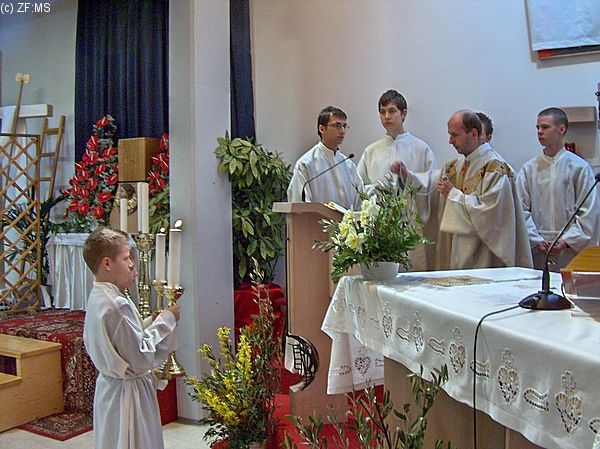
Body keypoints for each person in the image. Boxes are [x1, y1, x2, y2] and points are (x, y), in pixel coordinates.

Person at [82, 227, 180, 449]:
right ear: (107, 264)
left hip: (110, 389)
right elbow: (140, 357)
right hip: (129, 394)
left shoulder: (99, 296)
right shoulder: (116, 304)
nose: (132, 265)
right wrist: (167, 320)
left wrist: (150, 322)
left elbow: (122, 340)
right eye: (126, 258)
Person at [436, 109, 532, 270]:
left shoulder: (495, 168)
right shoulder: (456, 166)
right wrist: (407, 176)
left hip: (485, 256)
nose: (450, 141)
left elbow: (491, 215)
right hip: (459, 250)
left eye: (455, 135)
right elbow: (430, 184)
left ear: (474, 133)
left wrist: (452, 194)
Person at [357, 89, 437, 270]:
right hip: (379, 225)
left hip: (410, 224)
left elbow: (431, 187)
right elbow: (359, 189)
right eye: (382, 111)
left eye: (392, 111)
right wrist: (379, 189)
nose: (386, 116)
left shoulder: (421, 149)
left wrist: (408, 177)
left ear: (404, 113)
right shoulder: (371, 151)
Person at [516, 107, 600, 271]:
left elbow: (588, 211)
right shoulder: (529, 169)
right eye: (537, 128)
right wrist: (536, 239)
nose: (539, 132)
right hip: (539, 248)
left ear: (561, 129)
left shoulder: (579, 168)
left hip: (570, 250)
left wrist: (566, 241)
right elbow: (521, 209)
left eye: (545, 127)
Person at [287, 106, 364, 210]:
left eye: (344, 126)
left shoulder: (349, 165)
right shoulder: (306, 164)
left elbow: (360, 201)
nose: (342, 131)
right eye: (337, 126)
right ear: (322, 129)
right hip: (317, 221)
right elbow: (300, 205)